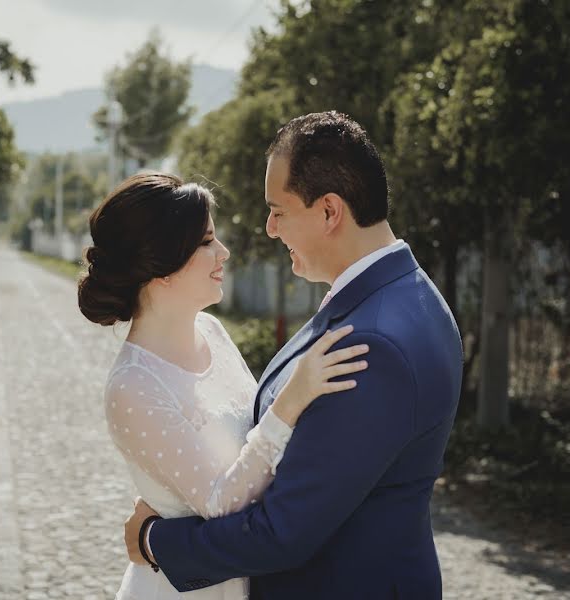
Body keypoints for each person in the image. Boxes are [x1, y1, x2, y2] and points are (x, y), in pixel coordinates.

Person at [123, 111, 464, 599]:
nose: (268, 228)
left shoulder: (373, 343)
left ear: (329, 211)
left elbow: (282, 532)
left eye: (278, 210)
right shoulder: (401, 293)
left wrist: (154, 539)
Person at [77, 172, 370, 600]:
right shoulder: (133, 385)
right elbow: (220, 502)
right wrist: (293, 399)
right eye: (206, 242)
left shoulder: (212, 331)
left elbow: (258, 439)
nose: (224, 252)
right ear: (162, 265)